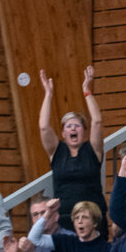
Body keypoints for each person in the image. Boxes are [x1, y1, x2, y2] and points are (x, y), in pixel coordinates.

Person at [37, 66, 105, 229]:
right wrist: (48, 94)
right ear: (63, 133)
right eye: (69, 126)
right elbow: (44, 127)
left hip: (93, 218)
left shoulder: (93, 150)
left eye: (77, 125)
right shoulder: (57, 151)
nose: (73, 129)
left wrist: (86, 91)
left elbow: (97, 121)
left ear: (84, 130)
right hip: (64, 220)